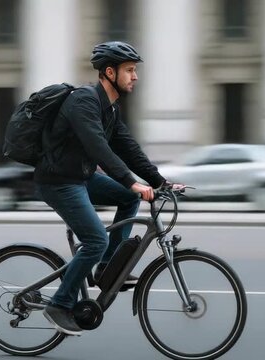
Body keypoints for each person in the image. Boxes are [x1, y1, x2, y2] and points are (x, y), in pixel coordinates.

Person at [35, 41, 176, 336]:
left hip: (80, 177)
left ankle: (107, 268)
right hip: (59, 181)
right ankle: (59, 304)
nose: (135, 76)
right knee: (96, 240)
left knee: (127, 198)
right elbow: (97, 147)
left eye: (134, 70)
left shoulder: (109, 108)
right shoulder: (84, 101)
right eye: (129, 70)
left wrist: (159, 181)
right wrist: (131, 180)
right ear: (109, 72)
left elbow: (128, 148)